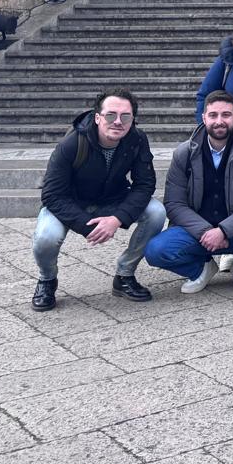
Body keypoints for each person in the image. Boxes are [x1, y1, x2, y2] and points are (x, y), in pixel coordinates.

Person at [31, 89, 166, 311]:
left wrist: (117, 219)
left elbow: (144, 184)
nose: (118, 122)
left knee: (156, 212)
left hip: (113, 198)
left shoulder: (137, 139)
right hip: (70, 202)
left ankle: (124, 275)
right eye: (110, 115)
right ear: (97, 118)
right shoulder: (72, 143)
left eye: (125, 116)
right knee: (47, 236)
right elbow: (52, 195)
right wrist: (88, 227)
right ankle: (47, 279)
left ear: (133, 119)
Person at [144, 91, 233, 293]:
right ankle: (201, 269)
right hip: (198, 232)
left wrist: (223, 231)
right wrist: (206, 232)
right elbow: (174, 204)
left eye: (226, 115)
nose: (219, 121)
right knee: (156, 251)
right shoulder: (184, 153)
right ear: (204, 118)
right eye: (213, 115)